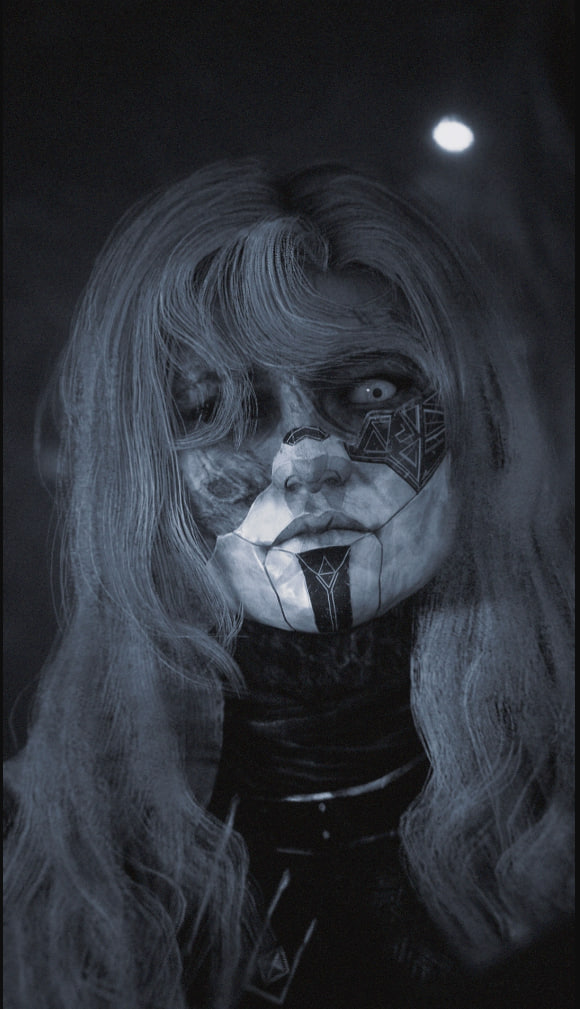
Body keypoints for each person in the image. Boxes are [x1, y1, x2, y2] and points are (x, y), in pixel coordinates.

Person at [3, 159, 574, 1009]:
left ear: (474, 414)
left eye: (371, 388)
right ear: (143, 475)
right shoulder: (46, 855)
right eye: (210, 407)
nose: (306, 461)